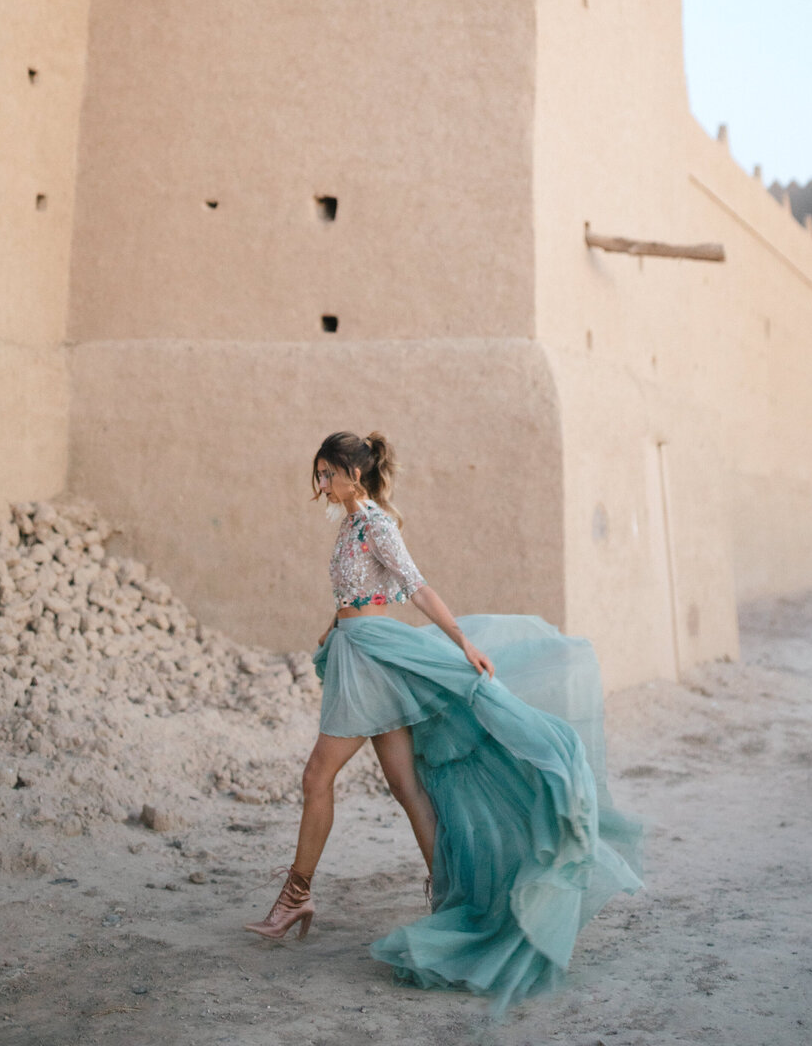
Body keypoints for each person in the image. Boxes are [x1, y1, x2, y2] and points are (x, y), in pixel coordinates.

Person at [244, 430, 642, 1014]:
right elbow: (359, 591)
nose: (321, 483)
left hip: (376, 658)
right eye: (319, 473)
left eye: (329, 473)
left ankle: (295, 896)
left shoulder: (375, 522)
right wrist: (334, 626)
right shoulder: (350, 522)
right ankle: (453, 904)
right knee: (407, 789)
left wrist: (462, 642)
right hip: (359, 651)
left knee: (316, 778)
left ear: (355, 475)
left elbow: (415, 586)